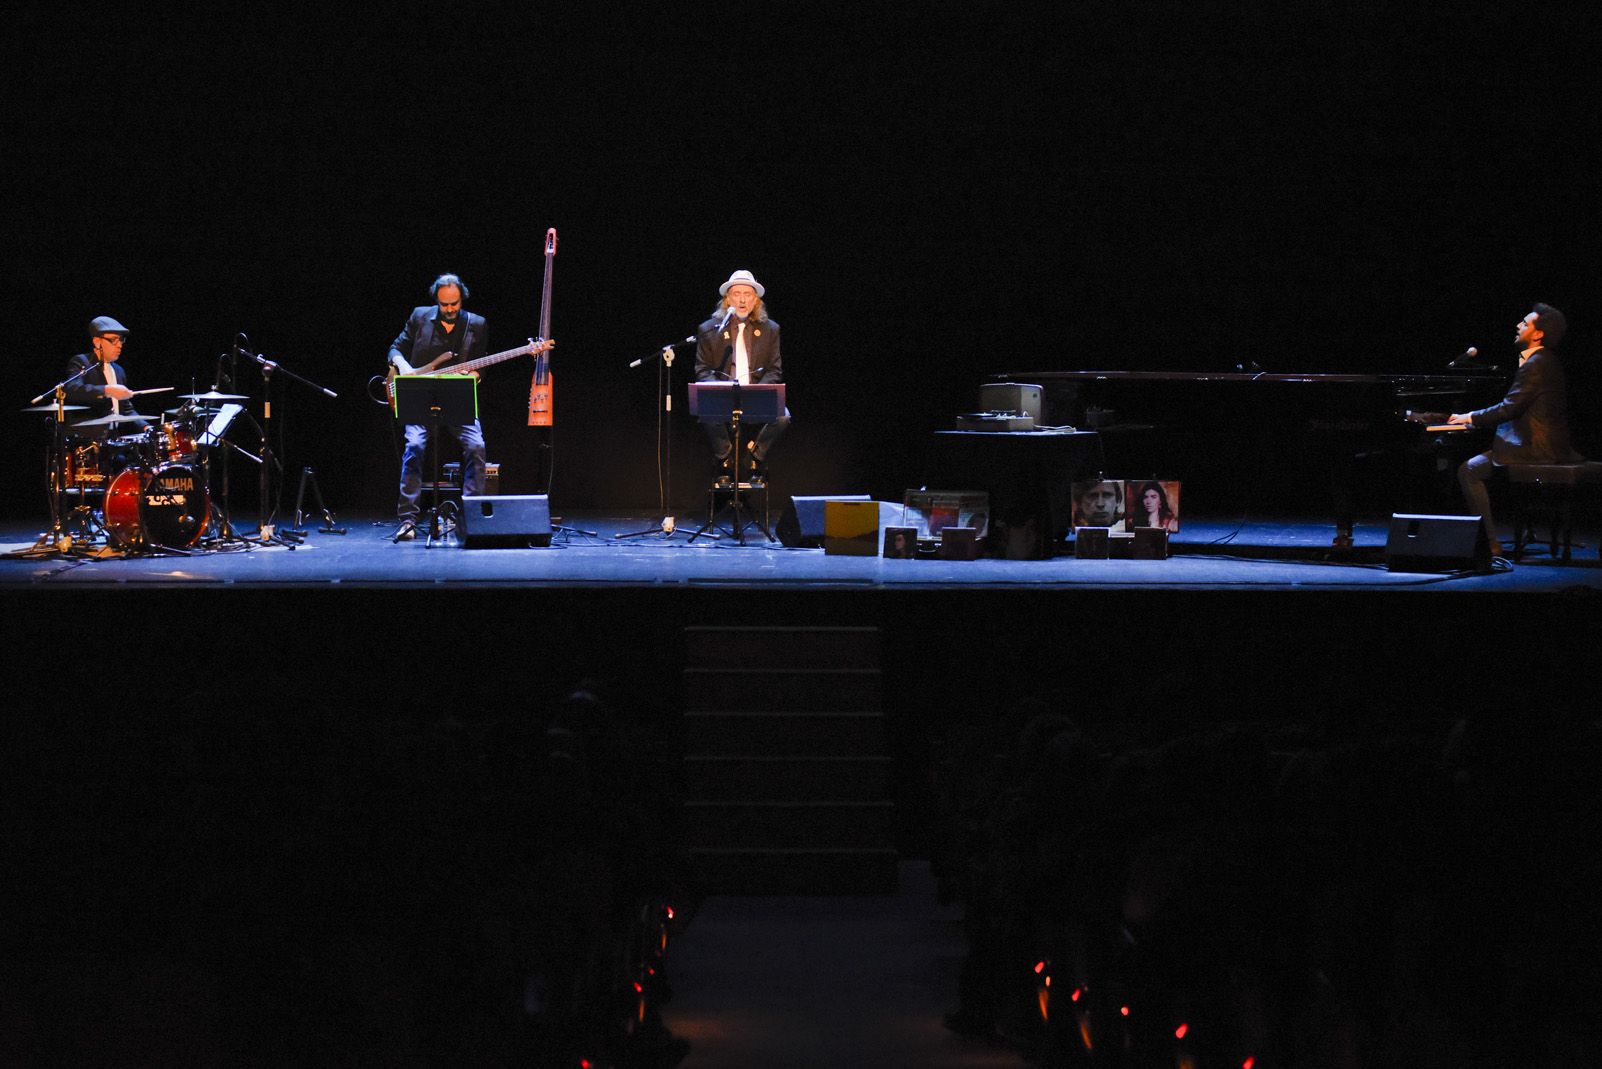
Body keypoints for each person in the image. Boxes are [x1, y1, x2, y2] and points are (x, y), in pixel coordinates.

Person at [1448, 303, 1579, 555]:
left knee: (1469, 471)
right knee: (1479, 462)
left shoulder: (1537, 363)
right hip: (1542, 443)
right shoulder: (1543, 360)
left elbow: (1508, 409)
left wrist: (1469, 417)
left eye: (1525, 323)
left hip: (1536, 448)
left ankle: (1490, 543)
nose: (1518, 325)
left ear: (1538, 334)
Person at [388, 274, 488, 541]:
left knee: (476, 446)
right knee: (415, 446)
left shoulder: (476, 324)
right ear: (436, 301)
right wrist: (404, 366)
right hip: (420, 397)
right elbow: (395, 349)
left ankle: (472, 517)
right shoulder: (420, 317)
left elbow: (480, 369)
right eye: (444, 305)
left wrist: (473, 376)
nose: (450, 309)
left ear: (461, 299)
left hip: (457, 399)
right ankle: (408, 520)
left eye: (454, 304)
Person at [694, 269, 789, 485]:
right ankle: (724, 459)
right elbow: (702, 370)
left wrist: (758, 392)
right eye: (737, 293)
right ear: (727, 299)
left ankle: (755, 456)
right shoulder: (709, 330)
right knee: (704, 410)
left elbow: (774, 369)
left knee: (783, 416)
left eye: (748, 294)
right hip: (723, 396)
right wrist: (721, 390)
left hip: (756, 396)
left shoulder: (770, 329)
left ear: (756, 299)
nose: (742, 299)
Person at [64, 316, 137, 427]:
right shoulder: (81, 362)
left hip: (114, 437)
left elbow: (126, 408)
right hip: (89, 437)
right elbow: (73, 390)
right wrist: (107, 390)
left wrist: (146, 427)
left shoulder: (119, 370)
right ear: (97, 342)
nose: (119, 345)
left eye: (121, 340)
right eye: (113, 340)